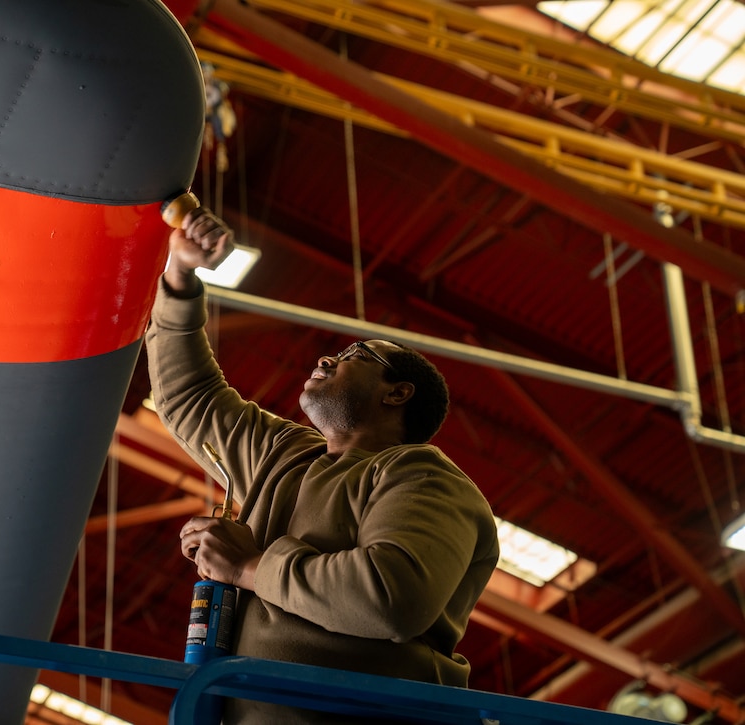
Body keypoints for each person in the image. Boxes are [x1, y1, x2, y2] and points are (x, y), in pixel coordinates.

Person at [145, 207, 501, 724]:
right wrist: (180, 277)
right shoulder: (286, 456)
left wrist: (248, 568)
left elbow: (389, 596)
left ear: (398, 394)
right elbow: (190, 397)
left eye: (358, 354)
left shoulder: (423, 476)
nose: (327, 359)